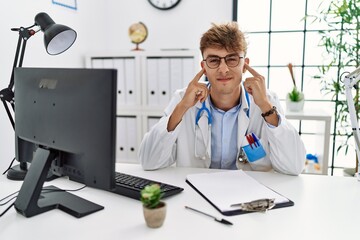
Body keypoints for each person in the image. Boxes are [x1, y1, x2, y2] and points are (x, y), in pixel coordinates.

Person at [139, 22, 306, 175]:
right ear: (204, 66)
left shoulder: (266, 101)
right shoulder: (183, 100)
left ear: (245, 65)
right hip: (196, 196)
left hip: (249, 196)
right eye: (214, 60)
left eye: (232, 59)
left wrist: (265, 107)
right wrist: (182, 108)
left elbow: (293, 167)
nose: (223, 69)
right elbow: (149, 161)